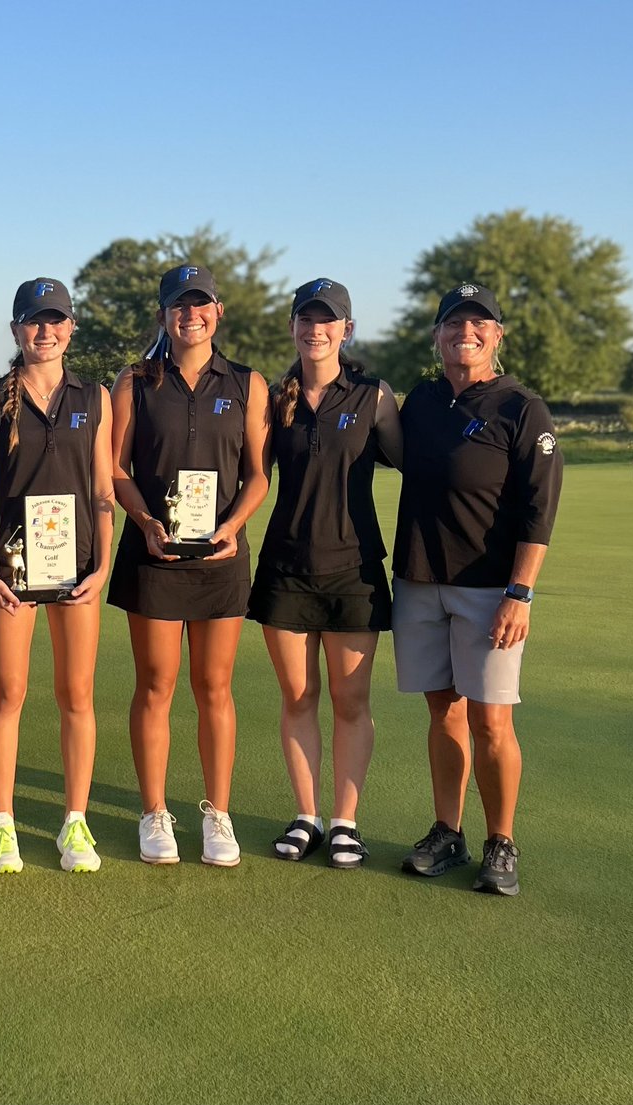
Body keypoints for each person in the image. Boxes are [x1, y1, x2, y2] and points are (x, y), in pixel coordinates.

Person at [393, 283, 562, 897]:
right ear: (437, 336)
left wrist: (521, 593)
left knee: (492, 721)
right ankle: (447, 831)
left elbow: (539, 511)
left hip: (490, 591)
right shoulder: (421, 404)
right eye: (453, 324)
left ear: (497, 335)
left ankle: (501, 840)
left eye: (479, 324)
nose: (466, 333)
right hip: (419, 582)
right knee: (444, 711)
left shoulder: (522, 408)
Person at [108, 264, 271, 867]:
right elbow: (117, 469)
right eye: (179, 306)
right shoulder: (136, 381)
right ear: (163, 316)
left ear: (218, 312)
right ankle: (154, 813)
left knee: (215, 687)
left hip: (222, 556)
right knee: (155, 685)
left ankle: (217, 814)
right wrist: (146, 522)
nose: (190, 315)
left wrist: (231, 528)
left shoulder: (249, 384)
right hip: (153, 553)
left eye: (201, 305)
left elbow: (258, 474)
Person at [247, 278, 402, 869]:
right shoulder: (273, 397)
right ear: (292, 327)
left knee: (351, 698)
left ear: (347, 329)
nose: (316, 330)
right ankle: (306, 816)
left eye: (328, 320)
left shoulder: (373, 395)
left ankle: (345, 822)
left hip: (355, 571)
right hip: (286, 568)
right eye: (306, 319)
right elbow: (250, 474)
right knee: (298, 696)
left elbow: (421, 467)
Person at [0, 277, 115, 874]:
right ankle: (2, 825)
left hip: (78, 567)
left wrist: (103, 564)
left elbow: (102, 490)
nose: (44, 331)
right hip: (11, 569)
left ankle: (75, 822)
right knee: (8, 693)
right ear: (15, 330)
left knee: (77, 695)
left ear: (71, 327)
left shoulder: (95, 397)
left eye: (55, 320)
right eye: (33, 320)